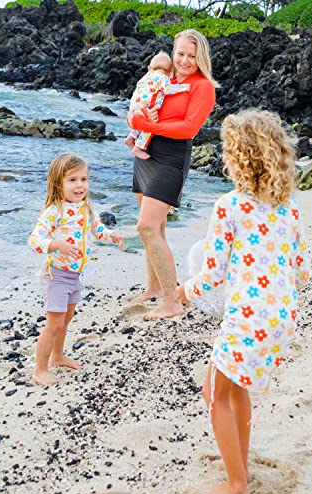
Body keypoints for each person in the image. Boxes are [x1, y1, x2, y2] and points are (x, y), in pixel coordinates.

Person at [176, 110, 311, 494]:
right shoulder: (289, 207)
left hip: (248, 318)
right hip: (281, 317)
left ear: (239, 158)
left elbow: (212, 274)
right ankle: (240, 466)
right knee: (236, 391)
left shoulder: (230, 205)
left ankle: (237, 486)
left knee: (215, 395)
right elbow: (302, 271)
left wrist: (185, 292)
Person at [127, 29, 218, 320]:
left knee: (146, 227)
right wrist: (138, 120)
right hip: (147, 152)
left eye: (192, 56)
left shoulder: (203, 87)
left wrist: (149, 126)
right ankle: (154, 287)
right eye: (180, 53)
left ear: (200, 58)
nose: (185, 60)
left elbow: (189, 128)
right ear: (173, 52)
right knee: (157, 227)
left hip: (171, 157)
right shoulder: (166, 79)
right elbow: (142, 104)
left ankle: (172, 301)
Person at [28, 154, 124, 386]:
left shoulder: (86, 209)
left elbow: (98, 231)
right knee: (54, 324)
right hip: (56, 275)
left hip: (75, 276)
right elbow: (34, 241)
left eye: (84, 179)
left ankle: (57, 357)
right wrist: (56, 244)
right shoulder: (54, 211)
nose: (80, 185)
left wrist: (112, 236)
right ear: (57, 183)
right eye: (72, 180)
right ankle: (40, 370)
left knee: (66, 320)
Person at [124, 51, 191, 160]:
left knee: (141, 123)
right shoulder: (163, 77)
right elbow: (168, 89)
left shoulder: (147, 76)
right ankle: (138, 147)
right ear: (169, 73)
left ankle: (131, 138)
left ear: (149, 68)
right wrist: (184, 87)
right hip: (146, 107)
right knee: (151, 125)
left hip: (134, 106)